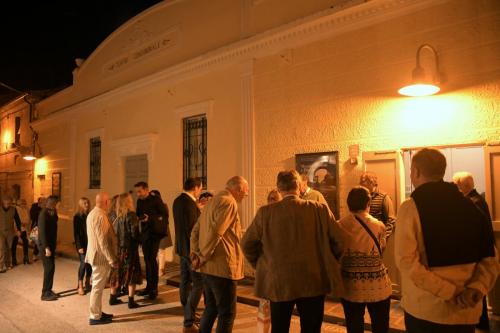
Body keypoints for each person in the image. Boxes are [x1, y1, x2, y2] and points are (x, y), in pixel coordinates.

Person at [396, 148, 499, 333]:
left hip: (427, 310)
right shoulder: (472, 207)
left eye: (411, 170)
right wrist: (476, 288)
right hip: (466, 311)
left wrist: (451, 292)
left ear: (417, 172)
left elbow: (406, 261)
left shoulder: (411, 207)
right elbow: (490, 258)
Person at [242, 170, 343, 333]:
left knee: (280, 328)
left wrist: (261, 264)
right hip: (313, 279)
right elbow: (339, 240)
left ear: (278, 188)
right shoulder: (319, 209)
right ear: (298, 186)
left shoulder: (265, 213)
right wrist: (328, 260)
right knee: (311, 328)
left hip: (278, 280)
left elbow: (247, 244)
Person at [190, 176, 248, 333]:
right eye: (245, 192)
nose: (245, 195)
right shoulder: (229, 202)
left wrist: (196, 254)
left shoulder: (212, 202)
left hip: (208, 267)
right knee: (227, 313)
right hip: (223, 267)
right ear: (238, 190)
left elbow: (195, 230)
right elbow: (217, 232)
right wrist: (202, 256)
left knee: (211, 308)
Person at [338, 186, 392, 333]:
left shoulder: (340, 225)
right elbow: (382, 249)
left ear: (349, 204)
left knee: (354, 325)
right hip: (378, 285)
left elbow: (337, 251)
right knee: (380, 325)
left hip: (351, 285)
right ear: (368, 203)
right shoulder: (379, 225)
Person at [453, 171, 493, 331]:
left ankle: (480, 324)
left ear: (463, 186)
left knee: (475, 287)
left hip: (476, 252)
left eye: (456, 185)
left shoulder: (473, 202)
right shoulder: (477, 199)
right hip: (478, 250)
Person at [173, 177, 203, 333]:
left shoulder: (178, 201)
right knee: (198, 283)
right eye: (200, 189)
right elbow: (192, 230)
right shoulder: (189, 204)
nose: (200, 192)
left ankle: (187, 310)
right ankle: (189, 318)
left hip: (181, 248)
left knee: (184, 281)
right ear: (196, 188)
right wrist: (195, 253)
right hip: (190, 250)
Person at [85, 192, 118, 325]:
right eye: (109, 201)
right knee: (97, 288)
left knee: (97, 287)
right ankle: (94, 316)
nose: (110, 203)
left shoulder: (93, 213)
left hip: (96, 255)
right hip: (100, 258)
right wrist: (111, 259)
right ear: (105, 202)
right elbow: (102, 241)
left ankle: (97, 312)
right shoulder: (100, 216)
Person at [135, 181, 169, 300]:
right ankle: (148, 287)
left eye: (139, 191)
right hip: (145, 234)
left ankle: (154, 289)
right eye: (137, 192)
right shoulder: (139, 201)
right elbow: (138, 214)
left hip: (155, 234)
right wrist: (139, 218)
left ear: (146, 190)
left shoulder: (156, 200)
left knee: (152, 261)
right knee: (147, 261)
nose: (138, 194)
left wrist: (150, 219)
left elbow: (164, 215)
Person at [112, 192, 142, 309]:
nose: (132, 200)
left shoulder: (117, 216)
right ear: (127, 201)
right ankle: (131, 300)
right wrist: (142, 238)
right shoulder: (131, 215)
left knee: (117, 272)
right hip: (130, 249)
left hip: (119, 249)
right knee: (132, 273)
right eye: (130, 199)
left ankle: (112, 297)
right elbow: (134, 233)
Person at [359, 172, 396, 239]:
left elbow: (391, 220)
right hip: (363, 238)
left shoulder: (384, 197)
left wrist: (383, 238)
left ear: (371, 183)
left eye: (363, 183)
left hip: (377, 238)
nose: (361, 185)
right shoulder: (362, 196)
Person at [38, 195, 60, 301]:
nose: (58, 205)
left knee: (52, 268)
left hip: (51, 245)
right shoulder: (43, 213)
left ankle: (49, 290)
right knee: (48, 268)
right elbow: (42, 232)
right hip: (45, 246)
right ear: (52, 203)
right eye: (57, 203)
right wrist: (46, 247)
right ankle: (44, 293)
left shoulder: (52, 213)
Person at [151, 189, 173, 278]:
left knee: (161, 250)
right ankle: (156, 268)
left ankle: (161, 269)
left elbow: (163, 218)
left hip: (161, 230)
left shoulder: (163, 206)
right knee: (155, 251)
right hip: (152, 231)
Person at [73, 197, 92, 295]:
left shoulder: (89, 215)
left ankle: (87, 282)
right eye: (85, 203)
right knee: (83, 263)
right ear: (80, 204)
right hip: (82, 244)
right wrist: (79, 246)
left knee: (89, 264)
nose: (87, 205)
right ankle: (80, 285)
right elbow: (76, 233)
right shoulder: (77, 216)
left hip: (90, 243)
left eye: (88, 203)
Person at [0, 196, 21, 272]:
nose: (7, 204)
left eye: (9, 203)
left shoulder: (13, 209)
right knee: (1, 248)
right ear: (3, 202)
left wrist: (18, 230)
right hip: (0, 231)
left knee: (9, 248)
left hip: (10, 231)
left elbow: (17, 220)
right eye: (6, 202)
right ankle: (1, 266)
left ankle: (8, 264)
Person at [12, 199, 30, 265]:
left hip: (24, 229)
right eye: (23, 203)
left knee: (25, 242)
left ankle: (26, 257)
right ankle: (14, 258)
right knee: (14, 243)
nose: (24, 204)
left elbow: (28, 218)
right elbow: (16, 219)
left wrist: (26, 223)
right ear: (19, 204)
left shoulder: (25, 210)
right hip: (16, 229)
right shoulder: (15, 209)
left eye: (24, 203)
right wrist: (20, 224)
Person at [30, 197, 46, 261]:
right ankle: (35, 254)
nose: (44, 202)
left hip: (44, 226)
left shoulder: (45, 207)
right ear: (39, 201)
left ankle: (41, 253)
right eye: (43, 201)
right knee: (37, 241)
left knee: (43, 240)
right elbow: (32, 216)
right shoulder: (34, 206)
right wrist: (40, 209)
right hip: (36, 226)